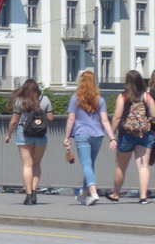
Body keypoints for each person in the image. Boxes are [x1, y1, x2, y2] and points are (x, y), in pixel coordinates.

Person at [62, 70, 112, 206]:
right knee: (90, 164)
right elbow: (105, 120)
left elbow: (71, 119)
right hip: (98, 135)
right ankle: (84, 195)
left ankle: (93, 192)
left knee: (86, 164)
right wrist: (112, 137)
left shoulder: (76, 98)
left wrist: (67, 137)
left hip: (82, 134)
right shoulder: (100, 100)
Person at [108, 69, 155, 203]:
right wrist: (146, 121)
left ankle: (116, 194)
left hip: (126, 135)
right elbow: (154, 115)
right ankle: (143, 196)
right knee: (143, 165)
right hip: (145, 135)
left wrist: (111, 134)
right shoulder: (146, 97)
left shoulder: (122, 97)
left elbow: (117, 117)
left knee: (120, 166)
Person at [5, 78, 53, 205]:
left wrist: (9, 134)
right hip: (40, 134)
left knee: (27, 165)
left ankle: (28, 195)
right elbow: (50, 118)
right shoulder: (45, 99)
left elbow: (14, 120)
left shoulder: (20, 101)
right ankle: (34, 191)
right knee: (36, 165)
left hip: (24, 134)